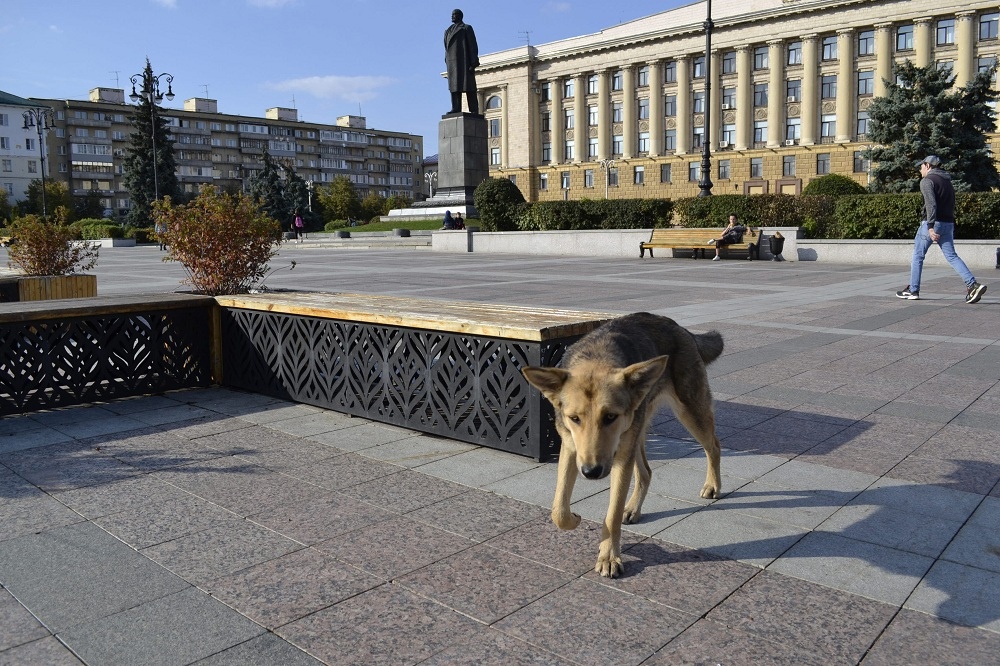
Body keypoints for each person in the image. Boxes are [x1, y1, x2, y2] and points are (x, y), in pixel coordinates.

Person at [896, 156, 987, 304]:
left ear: (928, 165)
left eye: (921, 166)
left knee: (918, 256)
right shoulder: (947, 181)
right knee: (952, 256)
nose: (920, 169)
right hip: (948, 223)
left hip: (932, 223)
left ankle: (913, 290)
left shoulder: (927, 181)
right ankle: (972, 285)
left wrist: (930, 227)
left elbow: (931, 205)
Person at [444, 9, 480, 115]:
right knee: (454, 87)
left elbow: (473, 46)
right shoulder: (448, 31)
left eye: (454, 14)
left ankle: (474, 109)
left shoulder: (466, 28)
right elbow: (446, 47)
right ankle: (456, 107)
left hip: (464, 62)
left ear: (460, 16)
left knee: (469, 87)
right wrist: (446, 60)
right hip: (452, 63)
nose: (452, 16)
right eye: (452, 15)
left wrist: (473, 63)